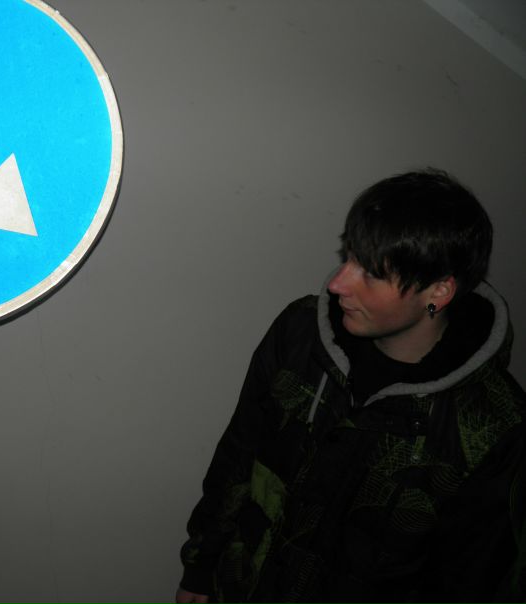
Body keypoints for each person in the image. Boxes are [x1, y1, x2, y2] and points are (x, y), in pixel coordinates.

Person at [176, 169, 526, 603]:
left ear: (438, 292)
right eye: (349, 257)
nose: (337, 283)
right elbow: (238, 454)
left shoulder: (496, 427)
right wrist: (201, 566)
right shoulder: (299, 334)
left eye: (371, 273)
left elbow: (472, 577)